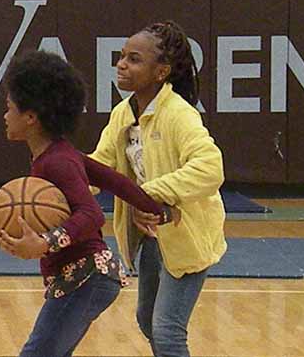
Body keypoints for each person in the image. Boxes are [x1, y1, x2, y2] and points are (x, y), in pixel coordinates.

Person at [0, 50, 177, 357]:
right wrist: (158, 209)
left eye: (9, 108)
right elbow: (115, 181)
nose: (4, 115)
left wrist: (43, 242)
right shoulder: (61, 153)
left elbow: (92, 214)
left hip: (85, 277)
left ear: (30, 117)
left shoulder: (57, 162)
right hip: (85, 277)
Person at [87, 20, 226, 357]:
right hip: (153, 237)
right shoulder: (123, 113)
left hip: (188, 235)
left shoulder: (179, 115)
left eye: (134, 59)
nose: (121, 64)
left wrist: (147, 194)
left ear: (161, 71)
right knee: (147, 319)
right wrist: (59, 184)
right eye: (121, 56)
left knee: (166, 331)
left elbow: (211, 168)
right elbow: (100, 167)